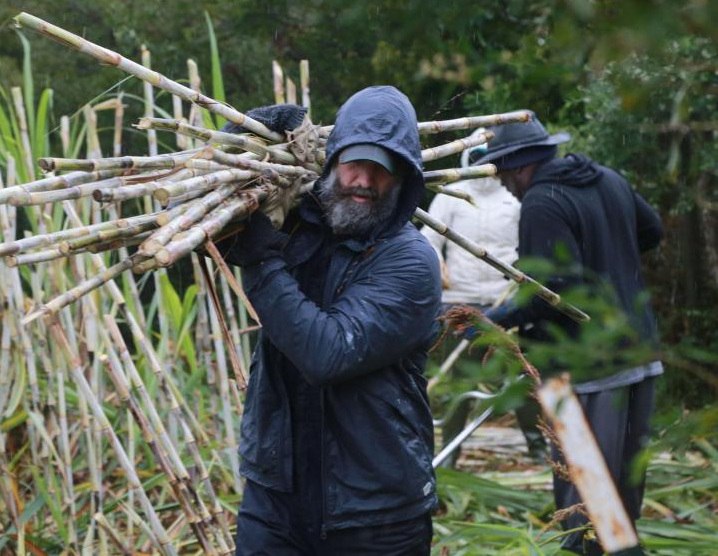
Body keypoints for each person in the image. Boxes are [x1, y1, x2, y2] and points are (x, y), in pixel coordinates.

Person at [221, 86, 442, 555]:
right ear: (333, 159)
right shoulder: (298, 224)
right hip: (276, 497)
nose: (364, 179)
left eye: (382, 169)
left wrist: (262, 262)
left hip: (374, 513)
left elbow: (329, 352)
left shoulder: (410, 262)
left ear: (403, 176)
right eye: (354, 163)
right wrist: (234, 151)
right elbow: (195, 232)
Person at [473, 116, 663, 555]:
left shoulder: (541, 201)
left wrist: (495, 317)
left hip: (582, 373)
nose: (504, 184)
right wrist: (613, 264)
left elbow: (550, 292)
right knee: (618, 508)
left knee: (585, 509)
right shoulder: (610, 180)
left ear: (521, 165)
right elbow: (652, 231)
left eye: (503, 172)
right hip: (639, 356)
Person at [421, 131, 547, 466]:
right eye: (475, 156)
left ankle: (538, 447)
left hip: (504, 303)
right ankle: (450, 453)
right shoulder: (451, 194)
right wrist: (439, 267)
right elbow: (428, 239)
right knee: (460, 381)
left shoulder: (514, 196)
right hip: (462, 302)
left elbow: (529, 244)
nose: (480, 163)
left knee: (520, 375)